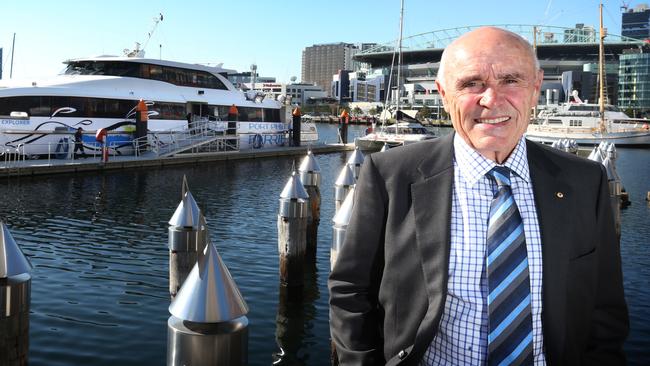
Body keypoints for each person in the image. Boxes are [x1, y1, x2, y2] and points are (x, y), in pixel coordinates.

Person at [329, 27, 628, 365]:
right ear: (443, 94)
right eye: (472, 84)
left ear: (535, 88)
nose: (492, 100)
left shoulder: (584, 180)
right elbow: (351, 292)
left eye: (511, 80)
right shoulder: (389, 176)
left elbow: (604, 308)